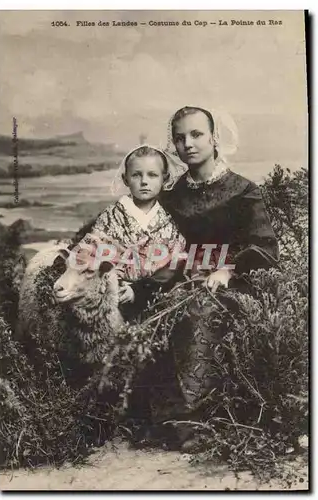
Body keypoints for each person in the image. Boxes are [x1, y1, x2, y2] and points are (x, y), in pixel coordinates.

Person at [138, 106, 280, 450]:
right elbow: (158, 243)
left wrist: (227, 270)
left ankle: (194, 424)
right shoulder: (172, 196)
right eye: (180, 137)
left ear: (215, 138)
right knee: (151, 310)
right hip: (183, 282)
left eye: (197, 134)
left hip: (233, 285)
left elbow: (265, 249)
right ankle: (157, 419)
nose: (188, 143)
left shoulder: (243, 191)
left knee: (198, 312)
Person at [74, 145, 187, 319]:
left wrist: (141, 289)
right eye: (136, 175)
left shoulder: (169, 221)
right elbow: (92, 255)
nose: (144, 181)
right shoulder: (111, 217)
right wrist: (115, 284)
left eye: (152, 175)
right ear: (125, 179)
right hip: (115, 296)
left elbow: (175, 264)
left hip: (156, 297)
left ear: (164, 179)